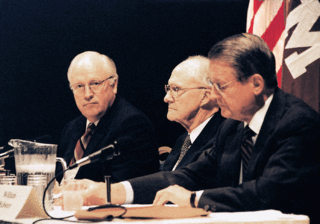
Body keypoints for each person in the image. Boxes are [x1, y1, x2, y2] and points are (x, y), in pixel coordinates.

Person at [57, 34, 320, 223]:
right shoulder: (232, 127)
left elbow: (265, 194)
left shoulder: (297, 123)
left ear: (256, 84)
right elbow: (185, 176)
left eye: (222, 86)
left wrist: (193, 199)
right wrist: (104, 193)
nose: (214, 96)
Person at [55, 51, 159, 183]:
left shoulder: (132, 125)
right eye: (79, 86)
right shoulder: (72, 128)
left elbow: (120, 188)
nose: (87, 94)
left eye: (95, 84)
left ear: (114, 84)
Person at [161, 56, 225, 171]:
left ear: (205, 96)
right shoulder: (183, 139)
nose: (166, 98)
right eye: (168, 89)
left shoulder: (221, 140)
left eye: (176, 89)